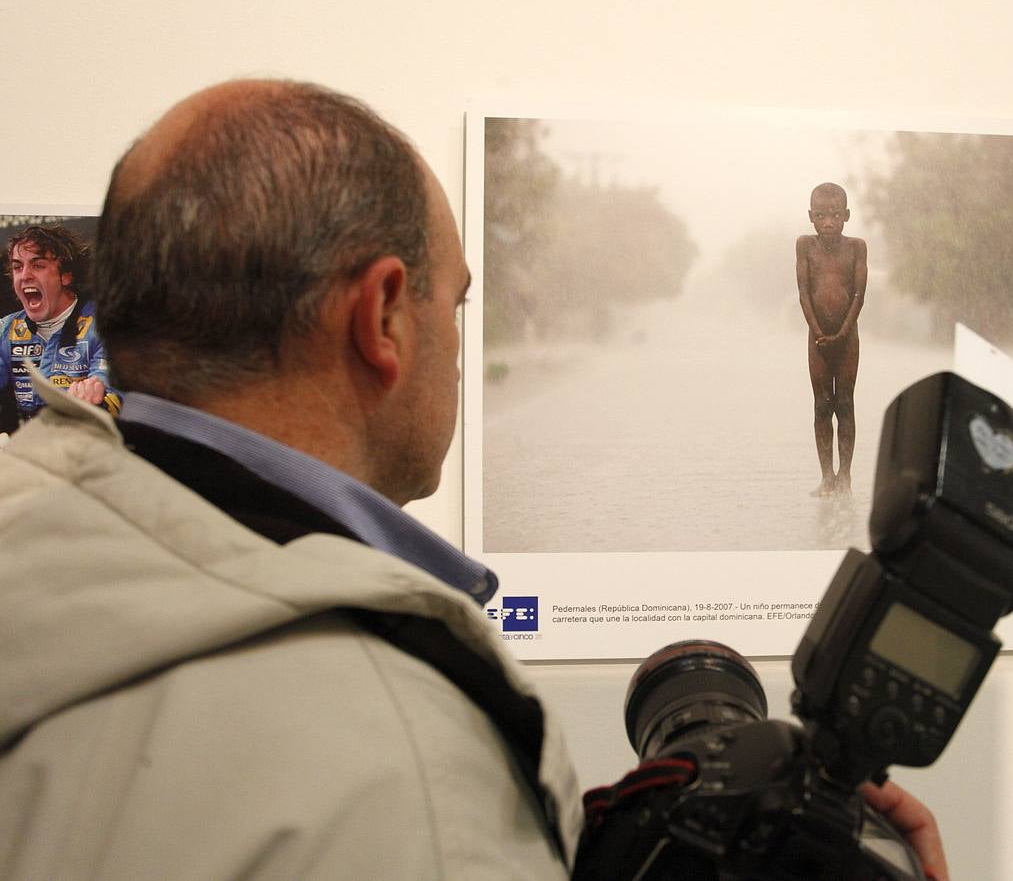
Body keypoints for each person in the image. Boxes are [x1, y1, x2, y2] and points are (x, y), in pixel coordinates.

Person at [0, 80, 947, 880]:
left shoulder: (28, 522)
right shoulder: (404, 758)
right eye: (455, 300)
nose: (459, 335)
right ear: (382, 320)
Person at [1, 223, 122, 433]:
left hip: (88, 447)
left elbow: (112, 395)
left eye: (38, 265)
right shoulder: (7, 329)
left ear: (66, 275)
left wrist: (94, 400)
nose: (25, 275)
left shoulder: (104, 327)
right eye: (17, 267)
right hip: (30, 449)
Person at [796, 182, 867, 497]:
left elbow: (858, 295)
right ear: (811, 216)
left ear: (847, 215)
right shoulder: (804, 246)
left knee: (846, 404)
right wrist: (819, 332)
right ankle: (827, 477)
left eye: (836, 215)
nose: (828, 222)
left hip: (847, 338)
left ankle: (845, 477)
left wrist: (841, 333)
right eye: (821, 215)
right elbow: (804, 293)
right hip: (818, 340)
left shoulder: (856, 247)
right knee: (822, 406)